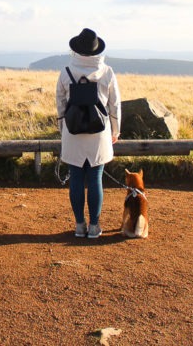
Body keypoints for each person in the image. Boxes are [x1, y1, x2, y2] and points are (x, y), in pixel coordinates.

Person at [55, 28, 121, 239]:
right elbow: (115, 105)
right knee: (95, 178)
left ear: (76, 49)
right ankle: (94, 226)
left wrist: (62, 129)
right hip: (99, 133)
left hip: (72, 131)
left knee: (75, 178)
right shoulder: (107, 72)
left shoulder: (66, 72)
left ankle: (79, 225)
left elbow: (60, 104)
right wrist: (116, 130)